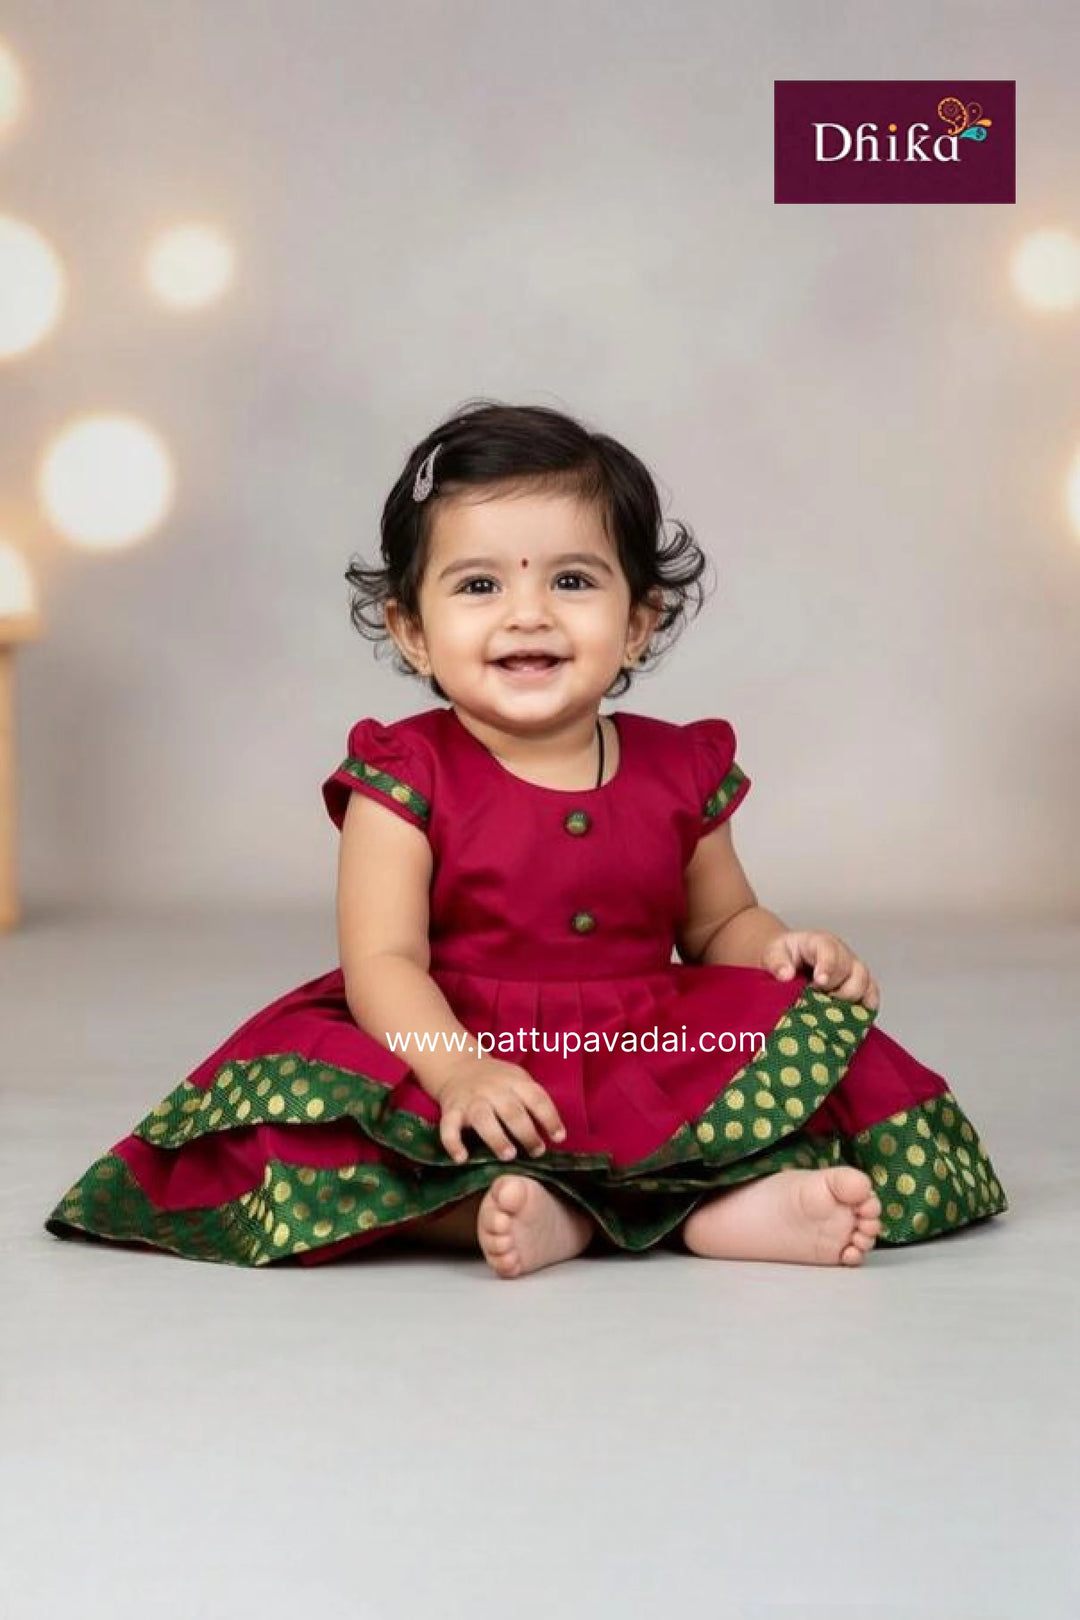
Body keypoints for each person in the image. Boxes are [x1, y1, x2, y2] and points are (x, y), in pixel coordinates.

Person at [44, 400, 1008, 1276]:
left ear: (637, 622)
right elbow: (382, 961)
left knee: (803, 1051)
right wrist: (456, 1067)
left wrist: (780, 948)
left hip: (644, 1038)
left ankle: (726, 1211)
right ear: (412, 631)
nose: (528, 613)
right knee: (339, 1140)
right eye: (477, 586)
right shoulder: (405, 777)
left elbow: (722, 925)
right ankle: (535, 1211)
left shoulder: (678, 768)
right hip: (449, 1032)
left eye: (573, 579)